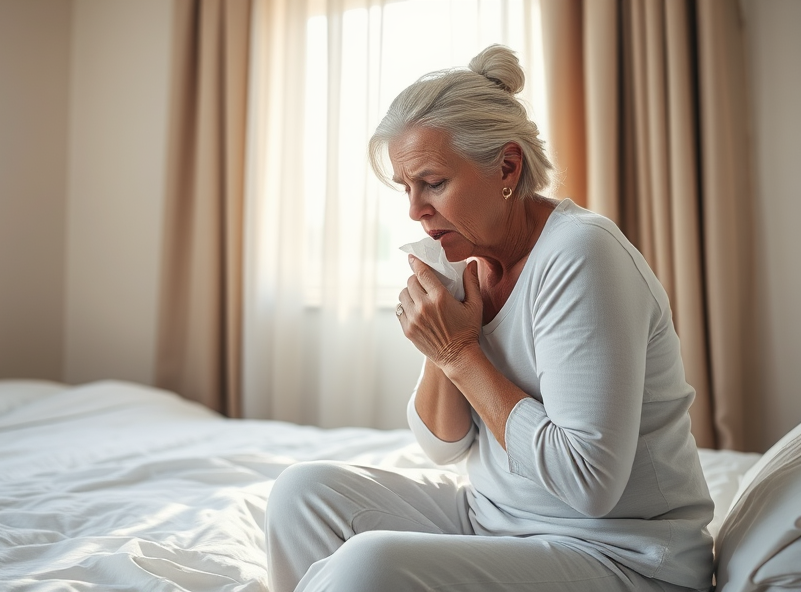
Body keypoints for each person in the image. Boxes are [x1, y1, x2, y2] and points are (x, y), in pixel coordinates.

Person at [264, 44, 715, 592]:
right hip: (495, 523)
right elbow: (443, 445)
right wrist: (443, 350)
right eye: (407, 188)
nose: (414, 210)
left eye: (433, 182)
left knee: (369, 565)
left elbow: (588, 482)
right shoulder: (470, 260)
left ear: (507, 166)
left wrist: (460, 353)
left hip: (620, 555)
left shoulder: (580, 255)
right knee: (301, 493)